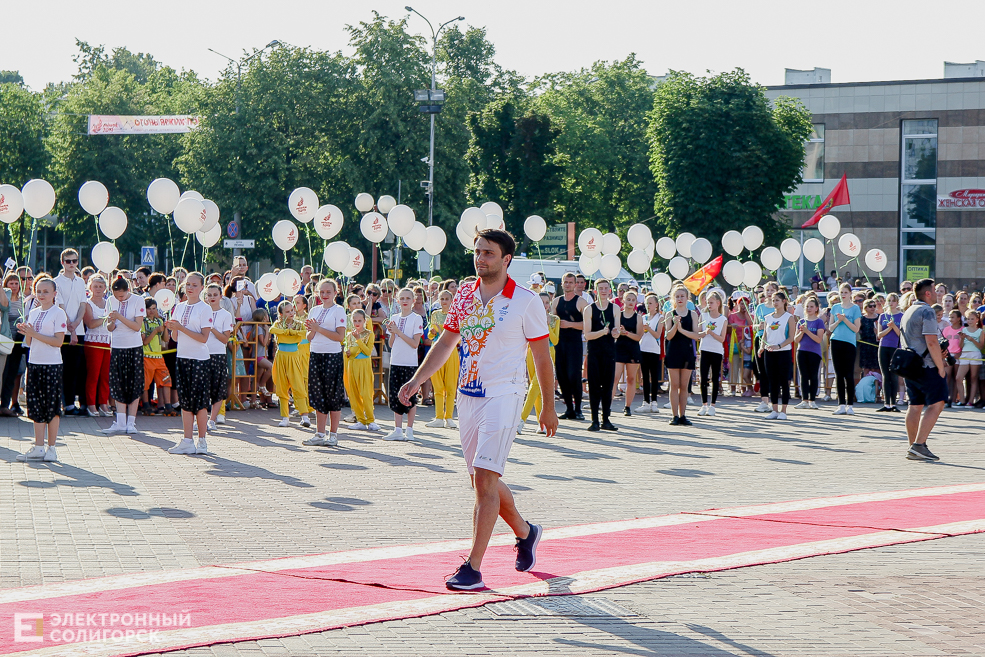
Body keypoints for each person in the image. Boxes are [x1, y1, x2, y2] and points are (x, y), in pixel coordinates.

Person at [397, 229, 556, 591]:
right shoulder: (465, 296)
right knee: (481, 481)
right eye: (477, 251)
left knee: (485, 479)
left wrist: (547, 406)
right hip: (468, 397)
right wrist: (417, 380)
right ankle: (526, 532)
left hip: (505, 395)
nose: (480, 257)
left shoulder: (526, 301)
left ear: (506, 259)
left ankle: (473, 568)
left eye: (488, 252)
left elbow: (542, 356)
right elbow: (446, 342)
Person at [14, 277, 66, 461]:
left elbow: (58, 342)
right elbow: (28, 342)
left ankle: (51, 447)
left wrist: (34, 333)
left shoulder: (58, 313)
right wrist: (27, 332)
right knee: (35, 404)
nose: (42, 295)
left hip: (52, 364)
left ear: (54, 294)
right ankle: (38, 446)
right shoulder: (34, 312)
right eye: (39, 291)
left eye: (46, 291)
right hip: (34, 362)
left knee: (51, 405)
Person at [165, 272, 214, 455]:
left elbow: (203, 338)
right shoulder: (179, 307)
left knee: (199, 403)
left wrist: (180, 328)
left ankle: (202, 441)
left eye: (195, 285)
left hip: (199, 359)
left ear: (202, 288)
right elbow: (176, 338)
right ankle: (187, 440)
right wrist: (172, 328)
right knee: (185, 401)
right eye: (188, 285)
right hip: (182, 357)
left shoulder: (205, 308)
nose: (191, 288)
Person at [900, 279, 947, 461]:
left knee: (915, 405)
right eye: (934, 290)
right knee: (938, 403)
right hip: (926, 365)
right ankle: (919, 445)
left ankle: (914, 446)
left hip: (910, 365)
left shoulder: (909, 310)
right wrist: (941, 367)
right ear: (927, 293)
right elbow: (931, 341)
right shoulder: (927, 310)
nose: (937, 293)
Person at [102, 276, 148, 435]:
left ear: (127, 290)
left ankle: (131, 421)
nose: (118, 299)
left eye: (121, 296)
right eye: (116, 296)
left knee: (134, 383)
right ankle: (120, 420)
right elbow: (109, 327)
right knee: (118, 382)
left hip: (133, 346)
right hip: (117, 345)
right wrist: (111, 322)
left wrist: (120, 317)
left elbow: (137, 326)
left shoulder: (138, 300)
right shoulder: (110, 301)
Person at [304, 279, 348, 445]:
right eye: (322, 292)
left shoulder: (339, 310)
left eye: (328, 292)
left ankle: (334, 434)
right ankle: (319, 433)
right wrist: (312, 330)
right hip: (316, 353)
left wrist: (319, 329)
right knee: (317, 394)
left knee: (333, 395)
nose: (324, 295)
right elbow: (309, 336)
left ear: (335, 293)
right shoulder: (314, 310)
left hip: (332, 355)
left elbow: (340, 337)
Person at [518, 292, 560, 433]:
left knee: (536, 385)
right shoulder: (530, 317)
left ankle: (521, 420)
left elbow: (555, 340)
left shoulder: (555, 319)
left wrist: (547, 325)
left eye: (547, 302)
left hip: (548, 354)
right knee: (535, 388)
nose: (544, 305)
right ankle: (540, 423)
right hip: (532, 353)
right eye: (541, 302)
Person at [384, 288, 423, 441]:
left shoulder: (416, 318)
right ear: (397, 300)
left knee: (410, 396)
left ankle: (410, 429)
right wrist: (393, 332)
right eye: (402, 298)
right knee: (395, 395)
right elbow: (392, 344)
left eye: (408, 298)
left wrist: (398, 332)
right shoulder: (394, 317)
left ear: (413, 300)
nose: (405, 301)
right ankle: (397, 429)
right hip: (396, 361)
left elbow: (415, 344)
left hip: (410, 363)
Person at [54, 248, 88, 415]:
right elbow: (60, 306)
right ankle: (64, 404)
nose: (72, 264)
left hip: (79, 329)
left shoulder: (81, 281)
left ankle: (72, 403)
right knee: (63, 369)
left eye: (74, 261)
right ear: (63, 263)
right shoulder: (56, 281)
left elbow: (83, 305)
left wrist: (76, 324)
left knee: (76, 369)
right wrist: (70, 328)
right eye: (68, 261)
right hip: (62, 331)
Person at [270, 299, 312, 429]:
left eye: (292, 310)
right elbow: (272, 330)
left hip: (294, 356)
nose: (291, 313)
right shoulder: (278, 323)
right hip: (281, 356)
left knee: (298, 385)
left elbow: (304, 334)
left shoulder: (298, 324)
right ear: (281, 314)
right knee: (282, 386)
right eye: (287, 312)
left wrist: (291, 332)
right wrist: (286, 332)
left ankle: (305, 416)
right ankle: (285, 417)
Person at [551, 273, 588, 420]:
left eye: (570, 282)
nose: (567, 285)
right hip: (559, 343)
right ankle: (569, 409)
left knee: (574, 375)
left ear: (575, 284)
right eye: (565, 282)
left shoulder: (581, 302)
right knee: (562, 376)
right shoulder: (556, 301)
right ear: (562, 284)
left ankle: (578, 409)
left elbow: (588, 325)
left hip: (574, 343)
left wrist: (571, 324)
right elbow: (552, 321)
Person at [583, 279, 618, 432]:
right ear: (596, 290)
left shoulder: (615, 308)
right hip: (594, 353)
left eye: (606, 288)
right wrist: (602, 332)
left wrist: (616, 332)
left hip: (609, 352)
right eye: (601, 288)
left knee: (608, 387)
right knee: (594, 387)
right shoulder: (589, 309)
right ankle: (594, 420)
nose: (603, 290)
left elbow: (616, 331)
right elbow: (587, 335)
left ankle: (606, 419)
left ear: (610, 290)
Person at [664, 284, 699, 426]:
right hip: (673, 351)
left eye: (682, 296)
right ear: (673, 298)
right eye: (677, 296)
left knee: (684, 385)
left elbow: (696, 335)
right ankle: (674, 416)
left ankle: (683, 415)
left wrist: (682, 329)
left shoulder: (693, 314)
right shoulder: (669, 314)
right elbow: (668, 336)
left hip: (687, 351)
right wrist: (675, 326)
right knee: (674, 384)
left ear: (687, 298)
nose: (679, 299)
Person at [426, 289, 459, 429]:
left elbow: (458, 338)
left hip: (451, 352)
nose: (444, 301)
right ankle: (439, 416)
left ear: (452, 300)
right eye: (442, 299)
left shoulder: (456, 316)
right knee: (437, 385)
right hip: (436, 350)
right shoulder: (435, 314)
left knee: (451, 386)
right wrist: (432, 332)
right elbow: (430, 336)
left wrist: (440, 331)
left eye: (446, 299)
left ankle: (449, 417)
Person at [761, 291, 796, 419]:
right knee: (772, 381)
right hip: (769, 352)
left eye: (777, 300)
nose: (775, 303)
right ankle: (774, 409)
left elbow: (791, 337)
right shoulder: (768, 317)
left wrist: (779, 346)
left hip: (783, 352)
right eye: (773, 300)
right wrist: (761, 347)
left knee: (783, 381)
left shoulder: (789, 317)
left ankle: (784, 410)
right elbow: (765, 335)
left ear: (784, 301)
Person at [82, 274, 113, 417]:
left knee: (105, 375)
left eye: (101, 286)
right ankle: (91, 404)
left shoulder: (109, 303)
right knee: (93, 375)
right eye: (95, 286)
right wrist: (106, 318)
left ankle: (104, 404)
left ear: (105, 288)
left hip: (108, 342)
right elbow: (91, 323)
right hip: (93, 342)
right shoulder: (88, 304)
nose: (98, 289)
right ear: (90, 288)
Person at [828, 282, 861, 415]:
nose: (843, 295)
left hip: (849, 343)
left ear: (850, 294)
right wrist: (838, 321)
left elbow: (856, 328)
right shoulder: (835, 307)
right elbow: (830, 328)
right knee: (839, 374)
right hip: (836, 341)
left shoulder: (855, 309)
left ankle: (850, 405)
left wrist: (845, 320)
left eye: (845, 292)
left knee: (848, 374)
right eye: (841, 292)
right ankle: (841, 404)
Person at [204, 283, 233, 432]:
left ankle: (212, 419)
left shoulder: (225, 315)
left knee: (217, 389)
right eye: (209, 295)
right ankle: (200, 419)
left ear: (221, 296)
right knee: (202, 389)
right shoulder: (202, 311)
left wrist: (212, 329)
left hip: (218, 355)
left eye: (215, 295)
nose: (212, 298)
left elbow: (225, 339)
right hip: (202, 354)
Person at [343, 309, 377, 433]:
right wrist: (348, 352)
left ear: (364, 321)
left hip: (364, 365)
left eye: (360, 320)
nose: (357, 323)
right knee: (354, 392)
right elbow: (349, 349)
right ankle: (360, 420)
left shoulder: (369, 334)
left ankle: (371, 420)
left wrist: (358, 340)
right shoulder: (348, 334)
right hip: (352, 365)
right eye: (355, 320)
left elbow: (368, 351)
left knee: (366, 392)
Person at [141, 297, 175, 416]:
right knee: (145, 383)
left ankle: (168, 407)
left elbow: (165, 339)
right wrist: (155, 331)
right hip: (147, 356)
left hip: (159, 357)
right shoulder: (143, 322)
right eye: (149, 309)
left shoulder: (159, 321)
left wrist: (164, 328)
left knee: (166, 381)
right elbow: (144, 342)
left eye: (154, 309)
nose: (152, 311)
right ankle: (146, 406)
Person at [613, 289, 643, 417]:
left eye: (633, 300)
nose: (631, 302)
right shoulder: (617, 315)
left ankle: (627, 406)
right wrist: (618, 333)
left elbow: (638, 337)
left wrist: (626, 333)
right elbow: (614, 333)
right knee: (614, 378)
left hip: (632, 349)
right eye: (628, 299)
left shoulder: (638, 317)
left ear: (636, 302)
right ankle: (607, 405)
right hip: (618, 348)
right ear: (623, 300)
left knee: (630, 379)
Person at [697, 290, 727, 416]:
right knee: (703, 378)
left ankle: (713, 405)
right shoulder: (703, 316)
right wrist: (704, 333)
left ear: (718, 303)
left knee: (715, 378)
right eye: (708, 302)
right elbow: (698, 333)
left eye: (711, 302)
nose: (709, 305)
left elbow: (722, 338)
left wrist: (712, 333)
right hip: (705, 349)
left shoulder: (723, 319)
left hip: (716, 351)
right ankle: (704, 404)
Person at [0, 272, 26, 416]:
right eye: (12, 283)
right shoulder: (5, 297)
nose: (15, 286)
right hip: (4, 340)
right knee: (2, 374)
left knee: (12, 374)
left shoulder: (24, 300)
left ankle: (5, 404)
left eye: (17, 283)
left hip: (18, 342)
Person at [794, 296, 825, 409]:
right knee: (803, 376)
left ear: (816, 308)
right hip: (802, 351)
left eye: (811, 306)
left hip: (814, 352)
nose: (809, 308)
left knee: (813, 376)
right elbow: (796, 340)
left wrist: (807, 331)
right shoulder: (801, 322)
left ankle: (812, 400)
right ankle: (804, 400)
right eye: (807, 306)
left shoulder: (819, 322)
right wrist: (802, 332)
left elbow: (818, 339)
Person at [752, 281, 778, 413]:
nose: (769, 292)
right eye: (767, 290)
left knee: (773, 371)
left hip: (774, 340)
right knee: (762, 371)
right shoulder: (760, 307)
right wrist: (759, 326)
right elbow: (754, 325)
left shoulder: (778, 308)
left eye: (772, 290)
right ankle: (764, 401)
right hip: (760, 339)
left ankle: (774, 401)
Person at [876, 293, 904, 412]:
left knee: (893, 375)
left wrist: (894, 326)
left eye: (893, 300)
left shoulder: (901, 316)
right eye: (889, 300)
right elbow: (879, 335)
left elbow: (901, 335)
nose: (891, 303)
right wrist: (889, 328)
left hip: (895, 348)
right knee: (885, 376)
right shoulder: (882, 316)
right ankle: (886, 403)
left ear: (897, 302)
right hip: (883, 347)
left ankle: (893, 403)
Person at [637, 293, 663, 413]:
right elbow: (640, 334)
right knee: (645, 376)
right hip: (643, 348)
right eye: (647, 303)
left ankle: (654, 402)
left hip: (654, 349)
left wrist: (649, 328)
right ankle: (645, 401)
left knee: (654, 376)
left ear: (656, 305)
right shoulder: (643, 317)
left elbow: (658, 335)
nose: (648, 305)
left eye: (651, 303)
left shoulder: (660, 318)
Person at [955, 310, 983, 407]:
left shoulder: (980, 331)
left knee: (973, 378)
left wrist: (972, 340)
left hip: (975, 355)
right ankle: (962, 400)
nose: (970, 321)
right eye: (968, 319)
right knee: (959, 378)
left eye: (972, 319)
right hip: (965, 354)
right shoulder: (964, 330)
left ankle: (970, 401)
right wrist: (962, 338)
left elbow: (981, 346)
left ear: (977, 320)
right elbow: (961, 346)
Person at [942, 310, 963, 406]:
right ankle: (945, 398)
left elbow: (965, 343)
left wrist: (960, 353)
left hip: (959, 355)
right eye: (950, 317)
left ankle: (953, 399)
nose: (950, 319)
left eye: (953, 317)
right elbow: (943, 343)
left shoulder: (963, 329)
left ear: (959, 318)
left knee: (956, 378)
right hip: (948, 355)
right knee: (947, 376)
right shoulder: (946, 329)